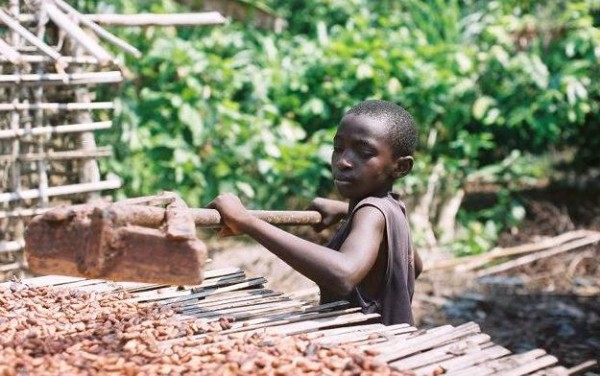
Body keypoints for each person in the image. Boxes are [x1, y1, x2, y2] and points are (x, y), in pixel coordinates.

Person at [209, 100, 422, 325]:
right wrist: (345, 211)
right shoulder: (392, 207)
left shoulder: (372, 213)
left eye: (364, 152)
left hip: (366, 347)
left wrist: (247, 222)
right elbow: (414, 266)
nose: (343, 161)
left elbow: (343, 274)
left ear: (400, 167)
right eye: (338, 149)